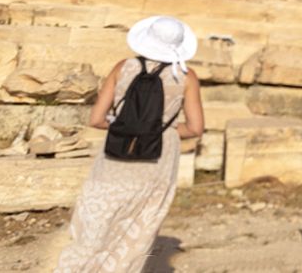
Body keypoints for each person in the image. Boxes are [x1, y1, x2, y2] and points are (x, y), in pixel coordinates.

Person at [54, 16, 205, 273]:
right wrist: (161, 130)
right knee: (139, 226)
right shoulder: (186, 76)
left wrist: (127, 126)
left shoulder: (122, 67)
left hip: (117, 149)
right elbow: (195, 128)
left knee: (97, 220)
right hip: (158, 155)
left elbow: (97, 119)